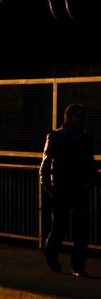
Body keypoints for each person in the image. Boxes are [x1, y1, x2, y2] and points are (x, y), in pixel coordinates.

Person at [39, 103, 98, 276]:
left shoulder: (85, 138)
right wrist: (48, 185)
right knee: (60, 225)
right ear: (69, 118)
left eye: (81, 117)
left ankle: (78, 265)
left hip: (79, 187)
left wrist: (90, 180)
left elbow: (90, 162)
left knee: (81, 229)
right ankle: (51, 252)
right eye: (76, 116)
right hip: (62, 187)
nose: (80, 120)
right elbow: (46, 162)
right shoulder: (56, 136)